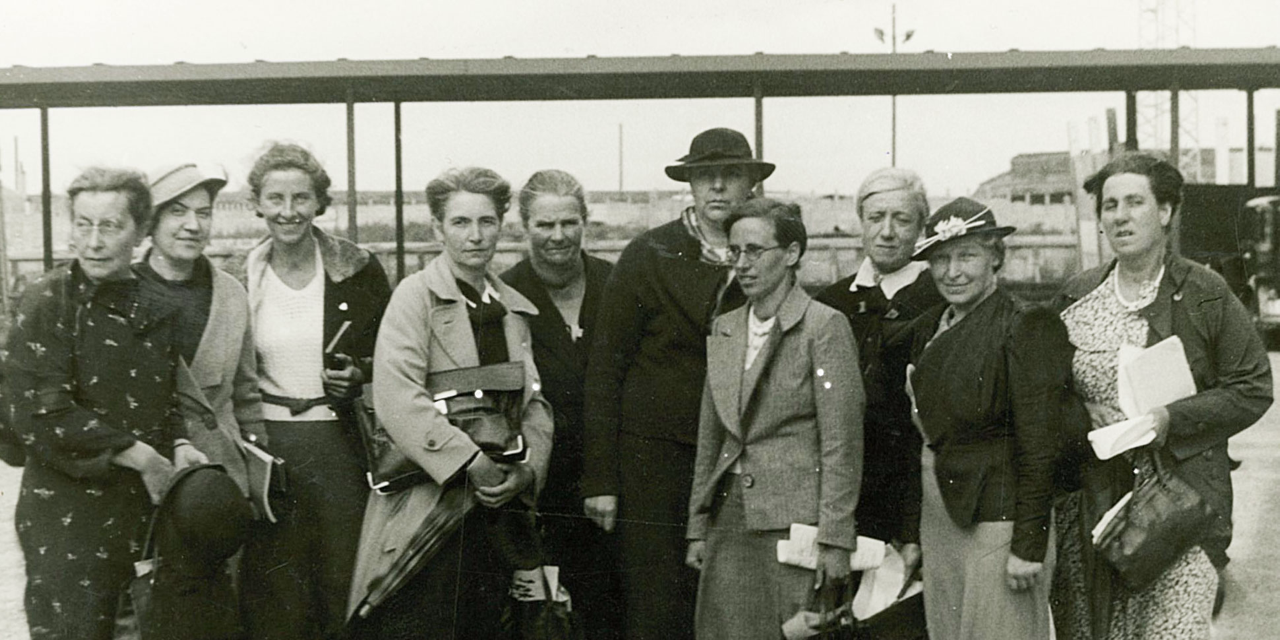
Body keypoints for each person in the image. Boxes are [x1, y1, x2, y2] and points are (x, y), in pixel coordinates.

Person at [1050, 153, 1272, 640]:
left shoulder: (1205, 291)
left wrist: (1170, 418)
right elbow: (1042, 390)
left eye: (1135, 202)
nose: (1120, 216)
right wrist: (1082, 409)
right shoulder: (1074, 296)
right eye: (1110, 205)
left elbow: (1253, 386)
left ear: (1167, 212)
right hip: (1092, 510)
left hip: (1181, 508)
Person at [346, 167, 554, 640]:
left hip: (498, 505)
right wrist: (469, 462)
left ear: (502, 224)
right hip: (428, 503)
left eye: (487, 222)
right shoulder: (414, 298)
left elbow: (534, 404)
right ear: (438, 228)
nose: (475, 236)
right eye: (460, 223)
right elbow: (397, 397)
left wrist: (528, 471)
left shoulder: (513, 309)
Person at [582, 127, 766, 639]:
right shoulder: (650, 254)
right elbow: (605, 369)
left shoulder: (765, 255)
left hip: (735, 457)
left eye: (732, 175)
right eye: (705, 176)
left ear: (751, 182)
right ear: (689, 184)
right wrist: (600, 480)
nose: (718, 188)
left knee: (729, 605)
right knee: (657, 606)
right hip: (654, 463)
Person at [5, 167, 196, 639]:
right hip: (66, 515)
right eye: (83, 224)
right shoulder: (47, 300)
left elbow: (166, 397)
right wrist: (143, 456)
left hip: (144, 513)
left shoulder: (160, 305)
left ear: (139, 232)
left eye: (109, 226)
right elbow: (41, 412)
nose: (93, 241)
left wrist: (179, 443)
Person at [684, 198, 863, 640]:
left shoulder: (823, 327)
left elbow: (841, 441)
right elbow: (712, 435)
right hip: (729, 521)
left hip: (794, 530)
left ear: (792, 254)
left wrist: (836, 540)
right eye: (735, 252)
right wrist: (698, 526)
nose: (742, 264)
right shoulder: (725, 328)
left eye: (755, 251)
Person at [237, 142, 392, 640]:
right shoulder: (240, 278)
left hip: (337, 445)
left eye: (301, 198)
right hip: (269, 449)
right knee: (276, 587)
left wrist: (360, 375)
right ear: (257, 204)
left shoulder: (359, 268)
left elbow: (393, 351)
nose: (288, 212)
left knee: (343, 579)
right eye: (275, 199)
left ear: (320, 203)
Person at [904, 197, 1066, 640]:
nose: (952, 271)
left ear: (996, 257)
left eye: (966, 255)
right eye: (940, 258)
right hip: (941, 516)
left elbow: (1040, 446)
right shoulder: (928, 327)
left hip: (999, 523)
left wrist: (1028, 547)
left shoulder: (1026, 325)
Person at [500, 169, 623, 639]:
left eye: (569, 223)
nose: (558, 236)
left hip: (612, 487)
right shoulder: (506, 295)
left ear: (585, 223)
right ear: (523, 225)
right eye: (544, 225)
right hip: (540, 493)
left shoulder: (617, 284)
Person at [813, 167, 941, 581]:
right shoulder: (831, 303)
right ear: (861, 223)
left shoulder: (939, 300)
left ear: (922, 226)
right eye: (875, 218)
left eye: (902, 220)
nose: (887, 231)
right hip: (839, 499)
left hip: (912, 499)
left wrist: (913, 526)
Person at [136, 163, 267, 499]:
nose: (192, 225)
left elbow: (246, 393)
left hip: (220, 477)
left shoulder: (231, 293)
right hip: (145, 478)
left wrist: (255, 476)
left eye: (204, 213)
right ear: (151, 220)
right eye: (177, 212)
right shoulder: (121, 294)